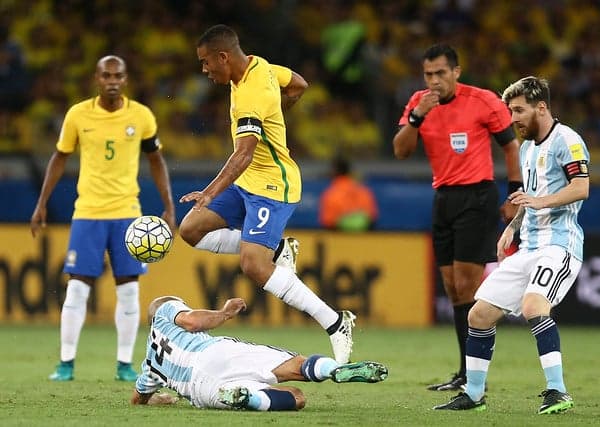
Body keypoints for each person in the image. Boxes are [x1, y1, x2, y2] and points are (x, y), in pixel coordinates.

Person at [178, 24, 355, 364]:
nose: (204, 70)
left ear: (223, 57)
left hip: (273, 185)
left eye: (205, 62)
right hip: (248, 182)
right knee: (190, 230)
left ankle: (334, 323)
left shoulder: (251, 93)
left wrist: (210, 193)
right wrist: (275, 118)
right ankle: (276, 247)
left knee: (253, 265)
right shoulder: (260, 66)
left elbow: (243, 154)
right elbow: (299, 84)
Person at [434, 76, 589, 414]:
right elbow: (528, 198)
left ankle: (557, 390)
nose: (513, 119)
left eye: (519, 110)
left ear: (542, 107)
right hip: (529, 247)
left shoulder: (568, 140)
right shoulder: (529, 148)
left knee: (535, 306)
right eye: (510, 111)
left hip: (559, 245)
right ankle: (474, 395)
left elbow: (581, 188)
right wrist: (513, 227)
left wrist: (540, 202)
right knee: (479, 314)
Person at [30, 55, 176, 382]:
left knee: (127, 289)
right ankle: (66, 363)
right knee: (78, 288)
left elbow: (156, 160)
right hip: (89, 213)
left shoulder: (141, 116)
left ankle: (125, 364)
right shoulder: (78, 115)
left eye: (118, 75)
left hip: (128, 215)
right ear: (97, 78)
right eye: (106, 75)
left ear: (125, 79)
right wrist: (42, 203)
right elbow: (59, 157)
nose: (112, 80)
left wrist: (169, 206)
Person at [392, 44, 523, 391]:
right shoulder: (419, 103)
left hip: (477, 197)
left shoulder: (482, 101)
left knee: (466, 284)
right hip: (444, 198)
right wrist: (417, 116)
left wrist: (514, 193)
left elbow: (511, 145)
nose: (434, 81)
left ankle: (473, 374)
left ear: (456, 72)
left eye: (440, 73)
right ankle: (466, 371)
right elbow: (401, 151)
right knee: (452, 289)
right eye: (428, 74)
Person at [130, 295, 388, 411]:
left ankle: (249, 400)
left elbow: (138, 399)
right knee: (296, 366)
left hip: (203, 391)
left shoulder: (150, 365)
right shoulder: (164, 311)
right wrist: (224, 313)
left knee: (296, 399)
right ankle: (333, 370)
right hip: (213, 353)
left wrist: (157, 399)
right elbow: (192, 322)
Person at [318, 156, 378, 231]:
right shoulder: (364, 191)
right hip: (365, 238)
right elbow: (372, 218)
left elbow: (327, 222)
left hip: (339, 238)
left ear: (334, 171)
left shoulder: (330, 194)